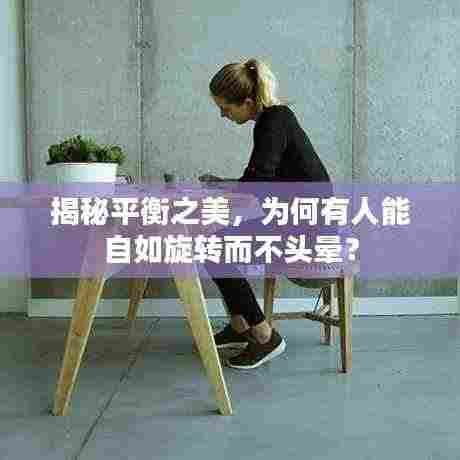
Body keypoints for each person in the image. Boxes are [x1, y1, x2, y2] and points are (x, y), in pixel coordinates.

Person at [199, 58, 332, 370]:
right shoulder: (275, 119)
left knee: (213, 246)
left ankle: (263, 335)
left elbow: (257, 183)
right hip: (298, 218)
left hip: (309, 229)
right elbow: (263, 179)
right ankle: (240, 327)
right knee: (213, 244)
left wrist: (220, 195)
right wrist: (226, 184)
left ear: (247, 102)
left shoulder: (273, 121)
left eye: (226, 109)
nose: (223, 115)